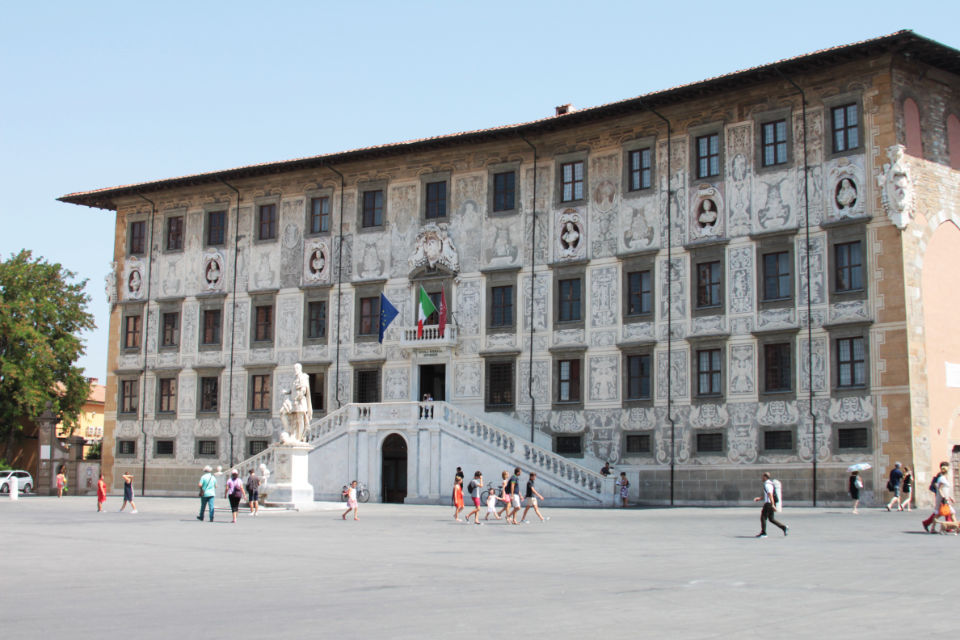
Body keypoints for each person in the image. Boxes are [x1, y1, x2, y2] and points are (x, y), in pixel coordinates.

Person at [753, 472, 788, 537]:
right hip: (770, 503)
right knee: (771, 519)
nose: (762, 478)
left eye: (762, 477)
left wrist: (772, 505)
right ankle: (784, 527)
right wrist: (760, 498)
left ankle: (764, 533)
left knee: (763, 517)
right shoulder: (770, 484)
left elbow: (770, 495)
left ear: (765, 477)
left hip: (768, 504)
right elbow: (767, 494)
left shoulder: (767, 485)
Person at [923, 462, 954, 532]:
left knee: (946, 512)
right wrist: (942, 496)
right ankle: (948, 527)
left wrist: (949, 496)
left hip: (943, 496)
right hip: (941, 497)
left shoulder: (944, 476)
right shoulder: (940, 476)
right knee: (940, 512)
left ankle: (949, 527)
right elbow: (939, 487)